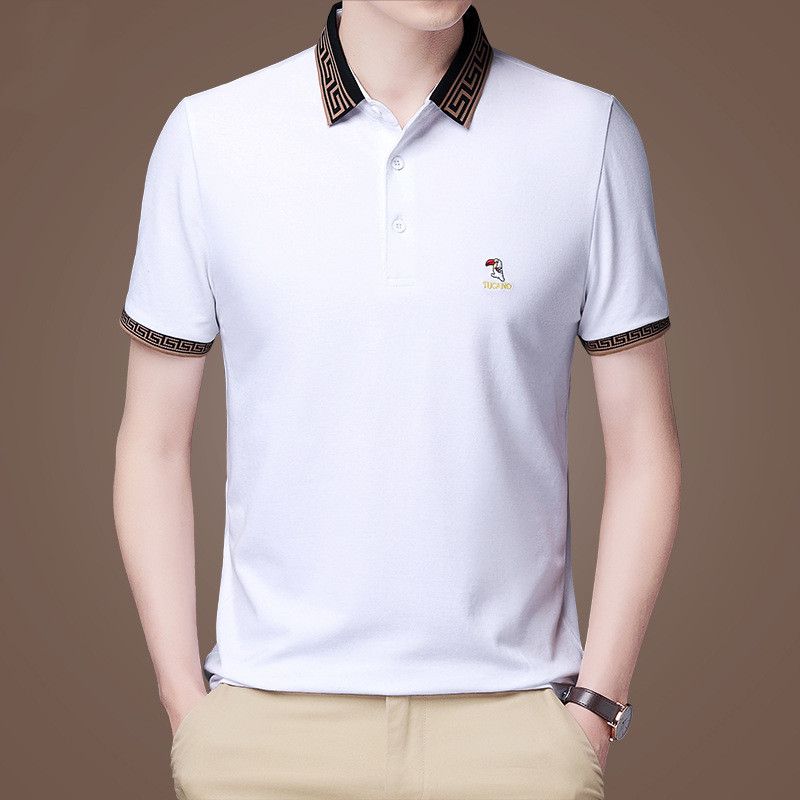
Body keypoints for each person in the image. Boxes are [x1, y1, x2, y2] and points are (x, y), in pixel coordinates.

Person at [113, 2, 681, 798]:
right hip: (264, 736)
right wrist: (189, 710)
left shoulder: (587, 134)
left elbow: (644, 448)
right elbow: (153, 444)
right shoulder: (209, 137)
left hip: (516, 736)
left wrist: (595, 709)